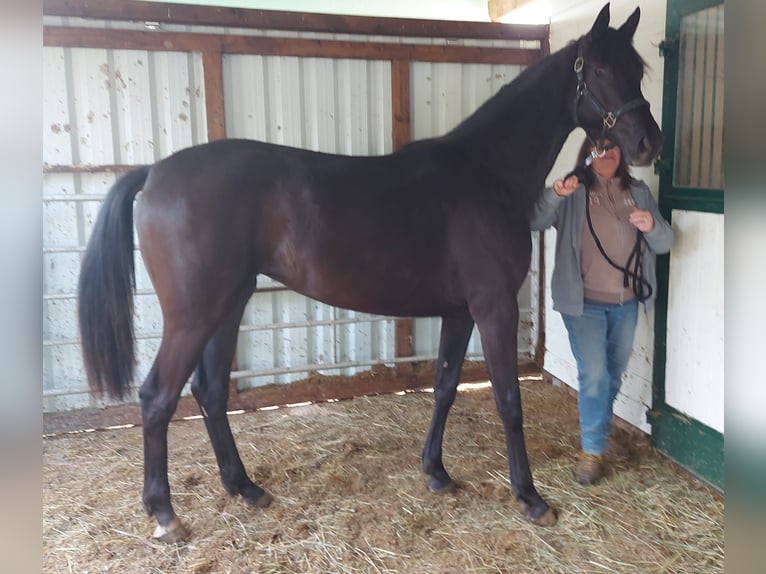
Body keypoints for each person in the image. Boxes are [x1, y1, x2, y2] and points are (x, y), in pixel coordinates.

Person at [529, 138, 674, 485]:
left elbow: (666, 242)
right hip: (584, 305)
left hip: (626, 303)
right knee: (594, 375)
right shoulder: (574, 189)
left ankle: (599, 431)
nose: (607, 152)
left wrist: (653, 227)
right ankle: (593, 451)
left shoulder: (637, 192)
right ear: (587, 154)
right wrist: (555, 194)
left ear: (621, 154)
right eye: (599, 146)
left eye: (613, 147)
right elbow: (535, 219)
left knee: (611, 375)